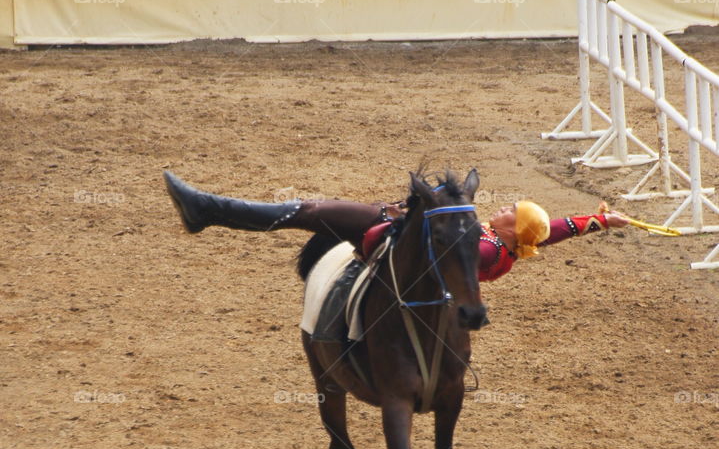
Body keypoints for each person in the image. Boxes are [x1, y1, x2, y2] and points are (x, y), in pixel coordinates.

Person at [162, 170, 631, 282]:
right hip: (396, 231)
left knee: (304, 211)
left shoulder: (487, 252)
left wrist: (407, 217)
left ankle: (208, 209)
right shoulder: (512, 241)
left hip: (390, 242)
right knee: (304, 214)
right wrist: (601, 220)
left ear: (511, 232)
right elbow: (553, 228)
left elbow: (435, 251)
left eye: (511, 211)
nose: (505, 208)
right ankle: (210, 210)